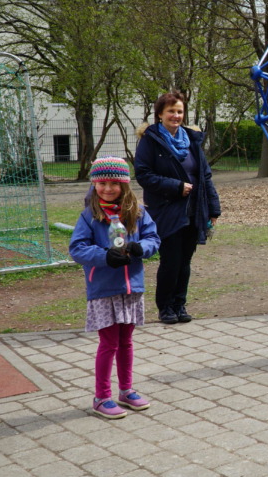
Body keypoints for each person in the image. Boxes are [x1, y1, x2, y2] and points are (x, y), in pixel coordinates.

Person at [69, 157, 160, 419]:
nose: (107, 188)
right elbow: (78, 248)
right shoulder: (89, 215)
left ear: (124, 185)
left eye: (114, 183)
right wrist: (104, 257)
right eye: (101, 183)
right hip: (104, 288)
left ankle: (126, 390)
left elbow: (153, 237)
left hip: (132, 288)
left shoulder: (138, 212)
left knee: (126, 341)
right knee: (108, 343)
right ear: (94, 184)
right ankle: (101, 396)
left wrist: (142, 248)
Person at [135, 92, 221, 325]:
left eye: (179, 111)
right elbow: (143, 174)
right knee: (171, 260)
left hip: (194, 210)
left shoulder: (192, 140)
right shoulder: (150, 140)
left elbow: (205, 176)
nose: (176, 115)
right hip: (166, 210)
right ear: (160, 114)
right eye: (171, 111)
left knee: (185, 261)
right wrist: (175, 186)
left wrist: (214, 210)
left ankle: (179, 304)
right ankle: (165, 307)